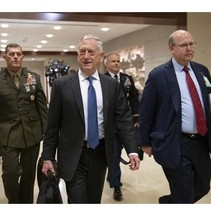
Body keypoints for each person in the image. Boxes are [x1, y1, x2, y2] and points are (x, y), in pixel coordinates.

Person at [41, 34, 141, 204]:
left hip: (100, 153)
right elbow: (52, 125)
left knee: (94, 200)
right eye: (82, 52)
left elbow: (124, 118)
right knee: (78, 201)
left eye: (91, 52)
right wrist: (47, 157)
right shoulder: (62, 85)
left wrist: (132, 149)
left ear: (101, 57)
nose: (86, 56)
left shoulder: (111, 85)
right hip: (72, 154)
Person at [139, 29, 211, 204]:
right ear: (171, 48)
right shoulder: (159, 75)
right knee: (184, 194)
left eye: (191, 44)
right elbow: (146, 111)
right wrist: (145, 143)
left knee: (203, 187)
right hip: (174, 143)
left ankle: (170, 203)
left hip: (201, 141)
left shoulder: (202, 71)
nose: (189, 48)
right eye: (184, 45)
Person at [0, 43, 48, 203]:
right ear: (5, 57)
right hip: (8, 134)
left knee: (28, 174)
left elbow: (42, 108)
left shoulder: (33, 78)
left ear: (22, 57)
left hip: (32, 134)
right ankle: (13, 200)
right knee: (11, 173)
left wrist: (49, 135)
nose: (15, 57)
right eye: (11, 54)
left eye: (18, 54)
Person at [104, 53, 141, 201]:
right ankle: (116, 185)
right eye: (113, 61)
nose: (116, 63)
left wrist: (136, 117)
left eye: (118, 61)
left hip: (125, 123)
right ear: (106, 63)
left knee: (128, 151)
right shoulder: (102, 79)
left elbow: (133, 98)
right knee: (113, 155)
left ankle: (112, 176)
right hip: (110, 125)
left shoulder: (127, 79)